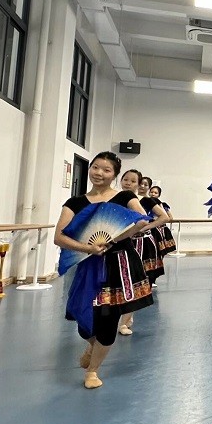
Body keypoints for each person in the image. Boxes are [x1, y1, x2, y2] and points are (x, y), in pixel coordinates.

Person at [53, 152, 152, 389]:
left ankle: (93, 370)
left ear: (114, 175)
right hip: (89, 265)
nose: (99, 173)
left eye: (106, 170)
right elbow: (59, 237)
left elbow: (142, 220)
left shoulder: (125, 197)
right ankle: (93, 344)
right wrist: (87, 248)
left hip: (119, 265)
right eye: (96, 167)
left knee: (108, 318)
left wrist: (115, 238)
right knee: (80, 314)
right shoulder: (75, 203)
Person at [118, 170, 168, 336]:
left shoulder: (146, 200)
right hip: (120, 243)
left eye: (133, 181)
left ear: (139, 185)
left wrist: (145, 227)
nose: (128, 183)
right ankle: (123, 317)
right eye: (125, 179)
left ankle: (126, 320)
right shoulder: (116, 198)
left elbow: (164, 217)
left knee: (136, 280)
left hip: (142, 244)